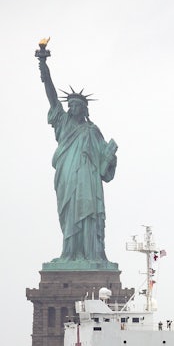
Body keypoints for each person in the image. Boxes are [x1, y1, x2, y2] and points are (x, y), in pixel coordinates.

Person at [38, 48, 118, 265]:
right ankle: (70, 253)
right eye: (70, 105)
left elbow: (104, 164)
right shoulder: (63, 122)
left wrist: (110, 157)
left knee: (89, 214)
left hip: (88, 180)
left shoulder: (92, 131)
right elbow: (52, 97)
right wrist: (44, 66)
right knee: (69, 214)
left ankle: (92, 255)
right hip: (67, 176)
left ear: (84, 109)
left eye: (76, 105)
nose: (72, 108)